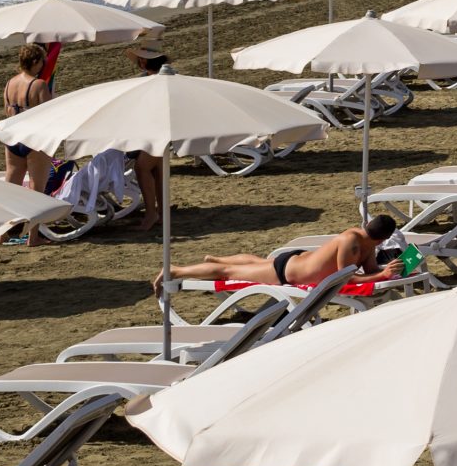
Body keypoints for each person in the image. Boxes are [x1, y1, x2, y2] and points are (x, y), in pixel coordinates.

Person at [163, 214, 398, 296]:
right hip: (288, 272)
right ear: (383, 238)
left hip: (299, 261)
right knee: (229, 272)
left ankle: (217, 258)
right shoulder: (351, 241)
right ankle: (177, 270)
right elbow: (344, 278)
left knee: (257, 262)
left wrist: (392, 268)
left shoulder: (368, 244)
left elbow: (370, 271)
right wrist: (382, 276)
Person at [119, 44, 171, 230]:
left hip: (158, 131)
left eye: (142, 58)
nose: (139, 61)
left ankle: (151, 213)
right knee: (157, 172)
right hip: (153, 131)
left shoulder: (162, 79)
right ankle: (162, 213)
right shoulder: (148, 78)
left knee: (142, 169)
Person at [0, 43, 55, 210]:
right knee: (37, 190)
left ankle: (4, 235)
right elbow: (50, 115)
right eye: (42, 62)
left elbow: (7, 111)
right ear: (35, 61)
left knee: (11, 190)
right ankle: (33, 236)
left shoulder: (10, 83)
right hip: (33, 140)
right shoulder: (38, 85)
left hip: (13, 139)